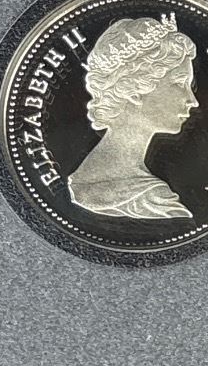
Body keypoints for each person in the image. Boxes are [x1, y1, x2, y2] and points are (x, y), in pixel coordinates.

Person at [67, 12, 197, 220]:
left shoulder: (84, 180)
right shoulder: (152, 198)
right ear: (134, 89)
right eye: (180, 83)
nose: (192, 100)